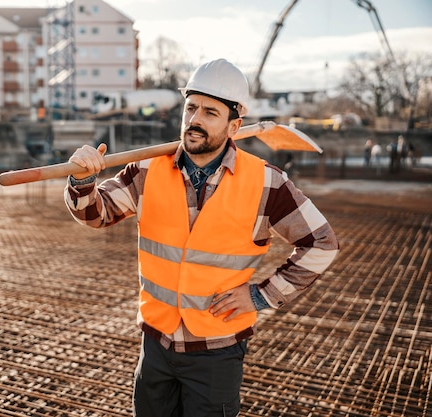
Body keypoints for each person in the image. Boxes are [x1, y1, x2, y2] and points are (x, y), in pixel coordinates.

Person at [64, 58, 340, 417]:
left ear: (234, 125)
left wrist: (262, 295)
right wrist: (83, 182)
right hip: (156, 344)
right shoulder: (147, 171)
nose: (195, 119)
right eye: (191, 108)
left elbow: (322, 243)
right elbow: (95, 214)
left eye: (210, 112)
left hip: (217, 350)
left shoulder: (267, 183)